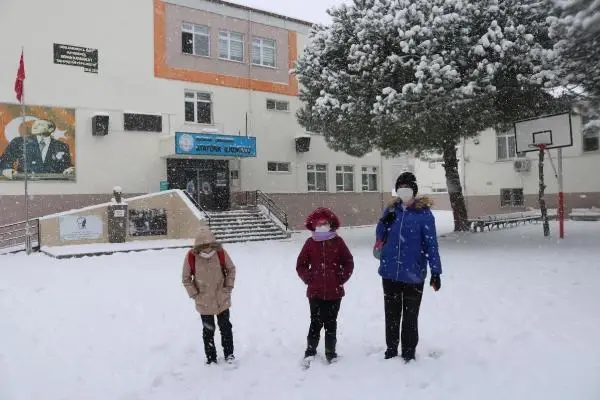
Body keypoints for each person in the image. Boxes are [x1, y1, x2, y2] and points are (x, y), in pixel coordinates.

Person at [373, 172, 442, 363]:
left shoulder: (424, 214)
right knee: (392, 314)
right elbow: (380, 236)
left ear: (414, 190)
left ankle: (409, 351)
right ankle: (391, 349)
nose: (404, 189)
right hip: (390, 272)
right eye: (400, 186)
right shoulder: (390, 210)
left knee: (410, 316)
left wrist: (435, 271)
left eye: (407, 186)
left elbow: (431, 245)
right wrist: (384, 222)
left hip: (414, 274)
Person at [296, 208, 354, 365]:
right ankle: (310, 350)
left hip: (334, 292)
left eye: (325, 223)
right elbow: (301, 265)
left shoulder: (338, 242)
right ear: (314, 225)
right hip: (314, 292)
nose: (322, 225)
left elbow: (348, 262)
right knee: (315, 322)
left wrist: (340, 278)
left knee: (331, 323)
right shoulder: (310, 243)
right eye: (319, 223)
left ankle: (330, 352)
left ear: (331, 224)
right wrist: (309, 278)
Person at [182, 229, 236, 365]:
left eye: (210, 245)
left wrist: (228, 287)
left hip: (221, 298)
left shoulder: (220, 253)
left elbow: (231, 269)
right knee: (208, 330)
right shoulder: (191, 256)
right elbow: (186, 278)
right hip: (203, 301)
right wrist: (194, 294)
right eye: (204, 246)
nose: (207, 249)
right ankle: (211, 358)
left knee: (226, 328)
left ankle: (229, 354)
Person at [1, 119, 74, 179]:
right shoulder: (19, 141)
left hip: (53, 186)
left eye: (40, 124)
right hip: (26, 184)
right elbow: (5, 160)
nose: (35, 126)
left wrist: (70, 170)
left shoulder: (61, 146)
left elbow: (66, 166)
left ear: (50, 129)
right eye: (34, 124)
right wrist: (6, 169)